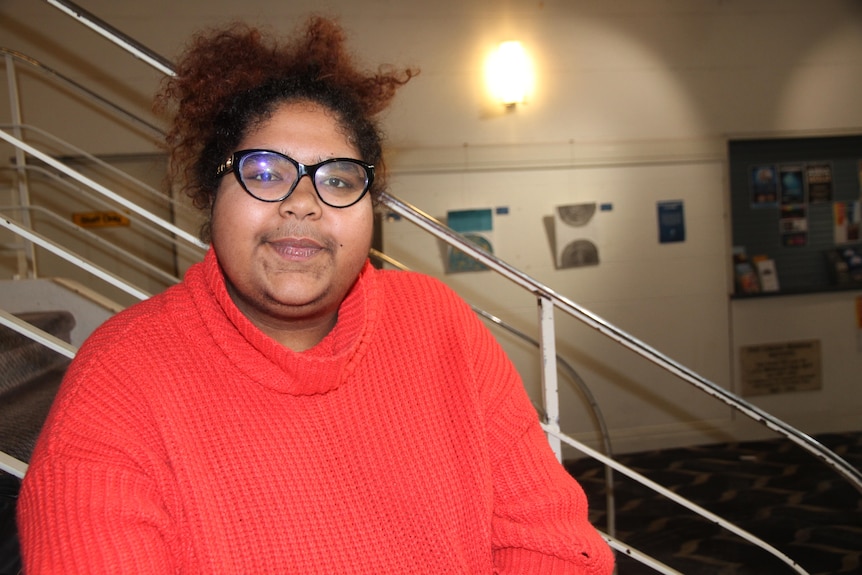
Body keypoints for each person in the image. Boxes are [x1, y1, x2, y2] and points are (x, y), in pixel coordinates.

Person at [17, 15, 615, 574]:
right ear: (209, 191)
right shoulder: (121, 373)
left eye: (337, 179)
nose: (303, 201)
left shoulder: (441, 326)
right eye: (266, 172)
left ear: (370, 209)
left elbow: (551, 542)